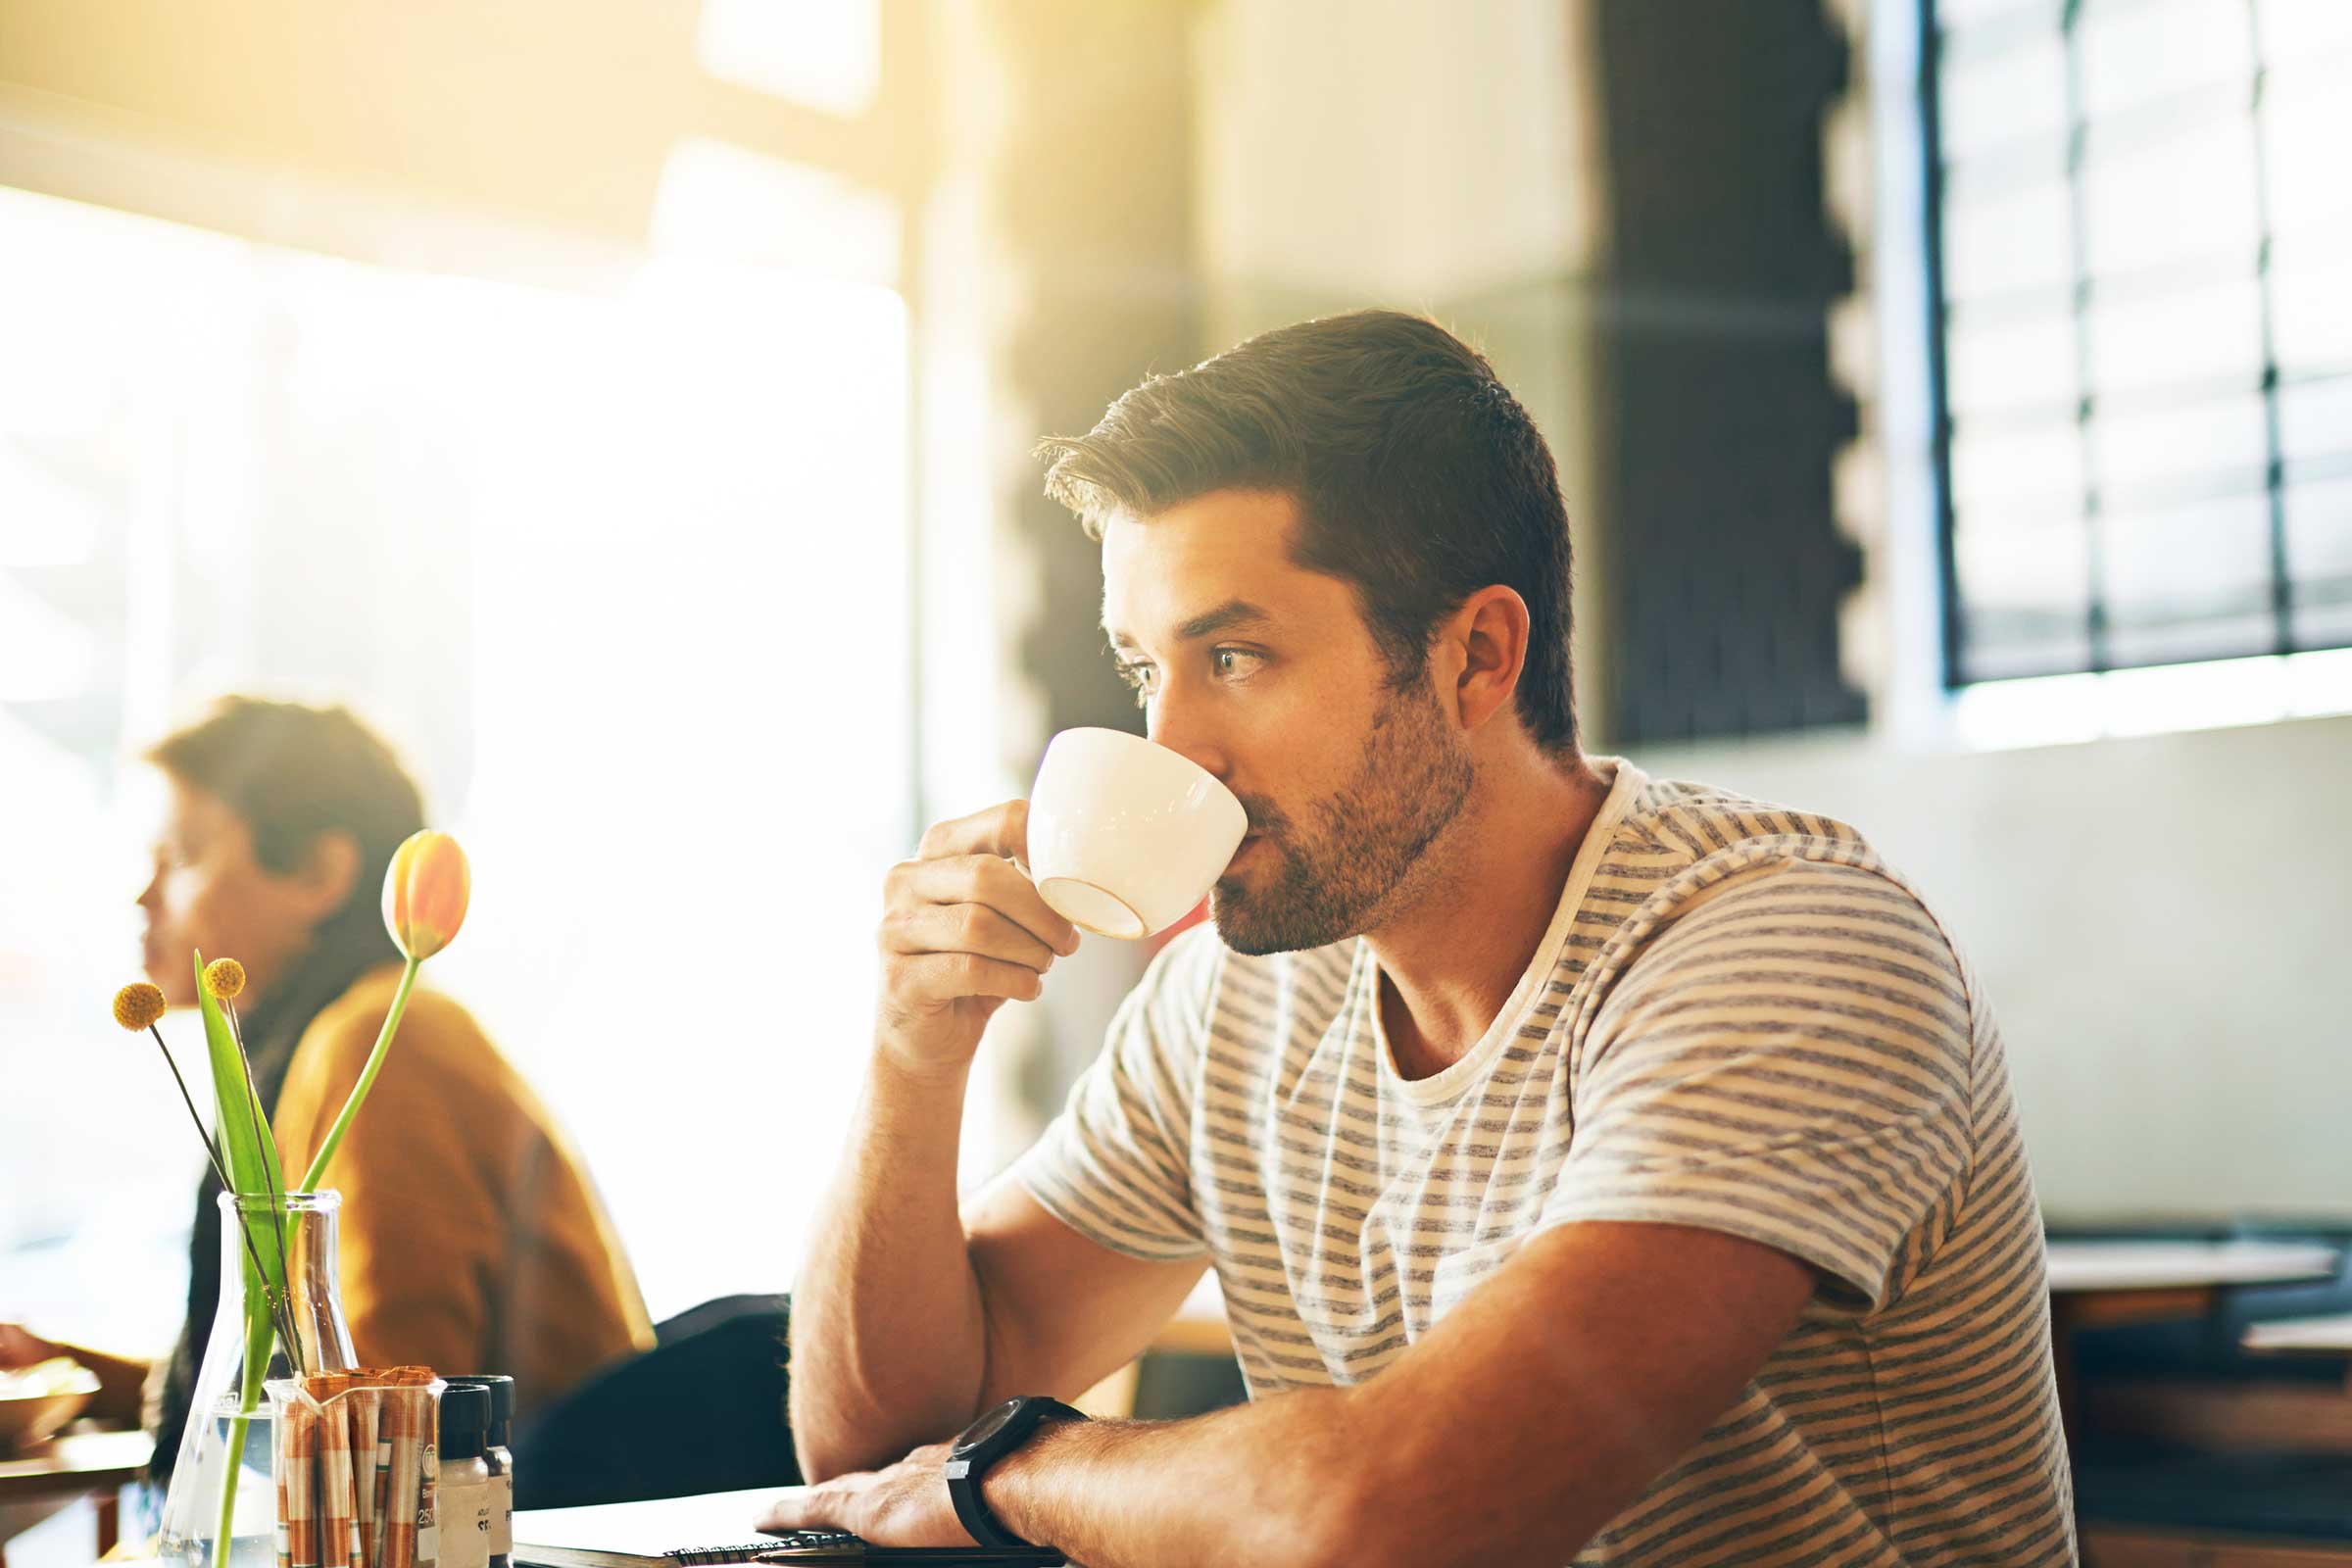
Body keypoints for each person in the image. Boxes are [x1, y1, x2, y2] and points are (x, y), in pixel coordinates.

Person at [768, 312, 2076, 1566]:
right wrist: (913, 1058)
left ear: (1476, 658)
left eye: (1233, 656)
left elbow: (1403, 1525)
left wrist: (1025, 1476)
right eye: (1142, 671)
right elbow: (874, 1452)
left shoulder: (1781, 946)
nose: (1171, 745)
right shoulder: (1228, 1003)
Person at [0, 697, 653, 1479]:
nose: (145, 895)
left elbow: (387, 1416)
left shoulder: (376, 1045)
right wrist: (68, 1370)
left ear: (317, 873)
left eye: (182, 855)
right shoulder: (339, 1033)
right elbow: (306, 1394)